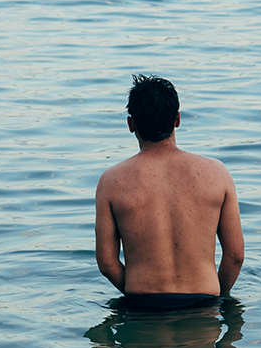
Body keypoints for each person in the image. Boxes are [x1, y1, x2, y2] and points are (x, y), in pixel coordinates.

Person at [95, 75, 244, 311]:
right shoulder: (217, 174)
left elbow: (106, 263)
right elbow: (235, 255)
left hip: (141, 305)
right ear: (177, 119)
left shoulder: (111, 181)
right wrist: (218, 297)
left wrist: (138, 293)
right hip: (204, 303)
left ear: (131, 124)